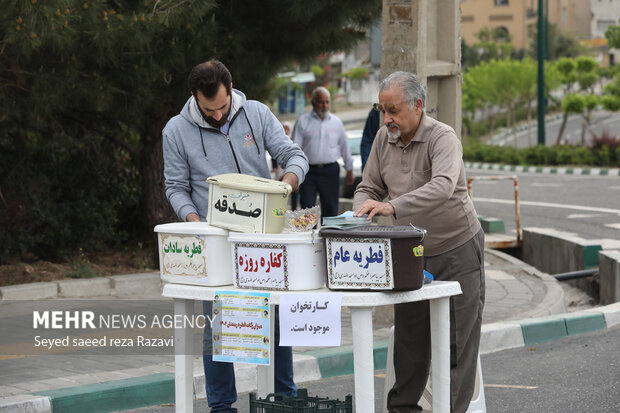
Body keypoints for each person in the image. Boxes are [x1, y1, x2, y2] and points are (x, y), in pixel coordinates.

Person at [163, 60, 308, 412]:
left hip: (264, 239)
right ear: (194, 97)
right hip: (214, 240)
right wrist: (196, 222)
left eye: (222, 107)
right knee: (219, 324)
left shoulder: (257, 114)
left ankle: (284, 400)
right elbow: (175, 188)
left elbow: (293, 155)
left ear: (232, 90)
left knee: (275, 317)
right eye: (207, 109)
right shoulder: (176, 130)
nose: (216, 115)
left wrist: (284, 187)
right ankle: (221, 406)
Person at [353, 71, 485, 413]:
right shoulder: (385, 138)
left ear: (418, 106)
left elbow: (443, 186)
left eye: (393, 110)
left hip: (456, 248)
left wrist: (392, 206)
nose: (387, 119)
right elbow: (369, 186)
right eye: (382, 110)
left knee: (457, 343)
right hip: (410, 253)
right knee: (410, 342)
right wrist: (359, 212)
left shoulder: (443, 138)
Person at [292, 86, 354, 217]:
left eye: (327, 102)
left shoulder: (336, 122)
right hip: (308, 173)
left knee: (330, 210)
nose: (325, 105)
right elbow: (294, 149)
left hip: (330, 172)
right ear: (313, 102)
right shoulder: (302, 122)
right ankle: (308, 237)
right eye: (321, 102)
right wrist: (294, 173)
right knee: (307, 211)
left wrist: (349, 169)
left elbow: (344, 146)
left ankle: (328, 236)